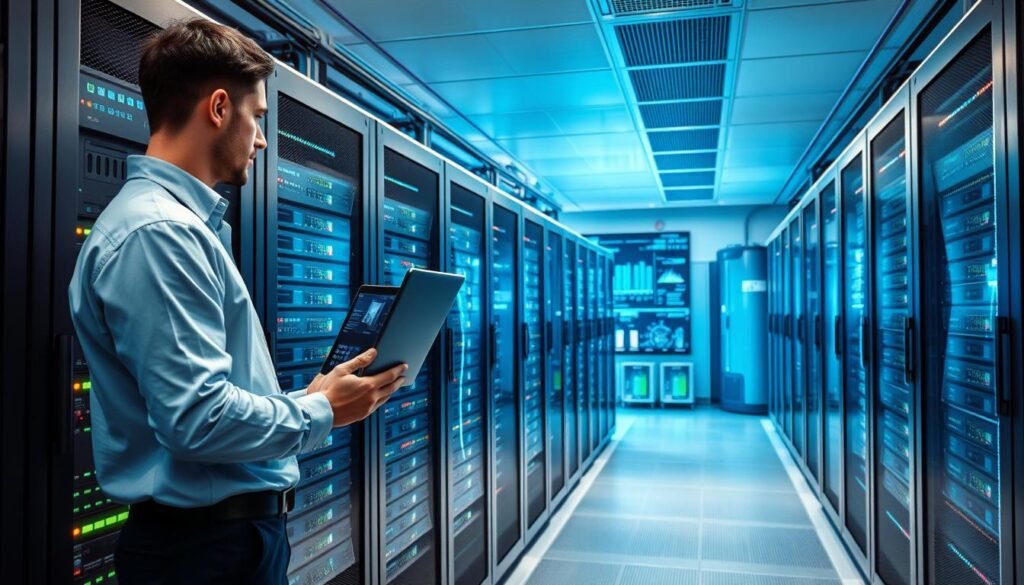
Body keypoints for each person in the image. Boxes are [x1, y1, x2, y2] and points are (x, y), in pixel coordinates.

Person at [68, 19, 405, 584]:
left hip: (217, 541)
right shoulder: (160, 234)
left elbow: (208, 401)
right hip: (203, 551)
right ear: (219, 108)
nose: (263, 139)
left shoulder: (178, 228)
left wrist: (313, 395)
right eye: (259, 118)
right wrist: (322, 410)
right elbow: (196, 419)